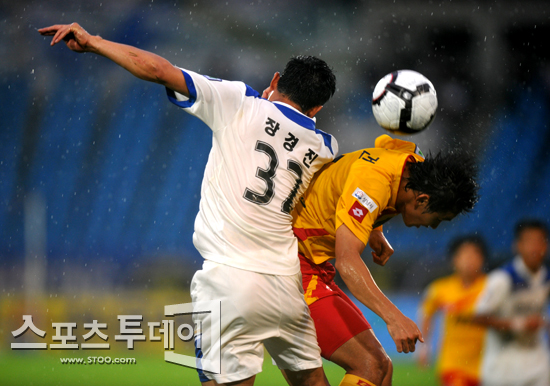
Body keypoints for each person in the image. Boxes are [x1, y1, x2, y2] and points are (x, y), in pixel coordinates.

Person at [39, 23, 339, 386]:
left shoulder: (241, 102)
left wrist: (95, 43)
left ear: (275, 79)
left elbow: (157, 69)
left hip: (231, 279)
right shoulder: (325, 148)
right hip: (288, 284)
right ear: (319, 106)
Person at [291, 134, 479, 386]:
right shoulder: (373, 183)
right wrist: (395, 318)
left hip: (311, 262)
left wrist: (373, 228)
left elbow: (383, 144)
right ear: (423, 200)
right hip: (294, 262)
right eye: (438, 219)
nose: (433, 227)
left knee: (383, 369)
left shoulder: (411, 160)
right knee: (372, 365)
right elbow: (347, 262)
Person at [473, 219, 550, 386]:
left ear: (546, 246)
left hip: (537, 363)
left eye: (540, 241)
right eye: (529, 241)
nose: (535, 248)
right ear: (517, 246)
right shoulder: (502, 279)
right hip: (503, 366)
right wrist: (518, 324)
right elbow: (478, 317)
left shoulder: (546, 279)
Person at [417, 235, 488, 386]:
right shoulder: (440, 288)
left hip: (487, 362)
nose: (469, 260)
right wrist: (424, 347)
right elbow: (426, 313)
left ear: (482, 259)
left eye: (474, 254)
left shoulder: (492, 287)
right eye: (464, 255)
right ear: (454, 259)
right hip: (453, 363)